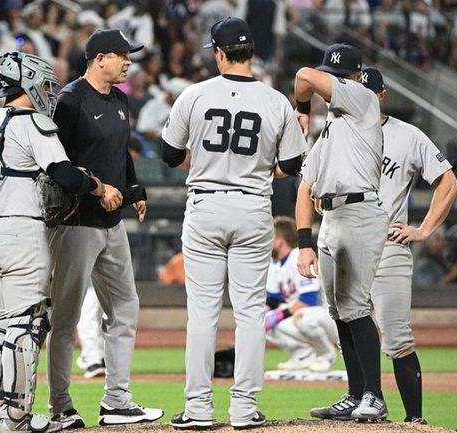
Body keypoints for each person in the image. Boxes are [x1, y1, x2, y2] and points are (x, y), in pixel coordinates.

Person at [161, 17, 307, 430]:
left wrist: (208, 160)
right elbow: (293, 165)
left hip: (205, 206)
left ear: (219, 53)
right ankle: (243, 408)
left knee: (203, 315)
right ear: (252, 53)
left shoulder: (194, 94)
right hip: (252, 208)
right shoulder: (276, 100)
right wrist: (259, 169)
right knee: (249, 313)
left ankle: (198, 409)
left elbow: (171, 155)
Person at [0, 51, 115, 433]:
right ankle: (18, 418)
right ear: (30, 82)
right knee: (27, 326)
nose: (50, 93)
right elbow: (65, 176)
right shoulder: (32, 122)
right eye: (47, 85)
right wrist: (98, 185)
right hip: (22, 232)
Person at [47, 28, 162, 429]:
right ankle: (60, 405)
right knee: (65, 319)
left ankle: (117, 401)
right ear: (99, 59)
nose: (128, 60)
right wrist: (98, 189)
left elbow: (119, 152)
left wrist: (134, 190)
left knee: (125, 309)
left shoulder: (120, 99)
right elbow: (57, 167)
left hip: (113, 223)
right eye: (121, 54)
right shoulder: (70, 100)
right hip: (75, 222)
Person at [294, 43, 389, 422]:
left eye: (336, 76)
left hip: (361, 212)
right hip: (331, 217)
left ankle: (375, 396)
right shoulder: (333, 126)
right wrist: (303, 244)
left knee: (355, 307)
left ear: (354, 78)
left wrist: (302, 108)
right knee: (339, 312)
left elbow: (304, 77)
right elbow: (305, 188)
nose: (330, 82)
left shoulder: (364, 99)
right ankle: (354, 394)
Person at [360, 67, 457, 424]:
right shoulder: (337, 131)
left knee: (397, 336)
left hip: (388, 246)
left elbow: (448, 182)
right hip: (347, 248)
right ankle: (368, 403)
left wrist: (424, 229)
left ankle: (415, 421)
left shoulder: (407, 135)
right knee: (351, 333)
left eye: (367, 92)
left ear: (382, 95)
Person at [265, 216, 338, 373]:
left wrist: (278, 314)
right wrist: (262, 315)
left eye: (270, 237)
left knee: (302, 316)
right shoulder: (275, 264)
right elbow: (272, 299)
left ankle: (326, 355)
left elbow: (308, 300)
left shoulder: (299, 257)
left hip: (327, 317)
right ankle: (302, 355)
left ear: (280, 241)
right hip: (303, 316)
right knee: (261, 320)